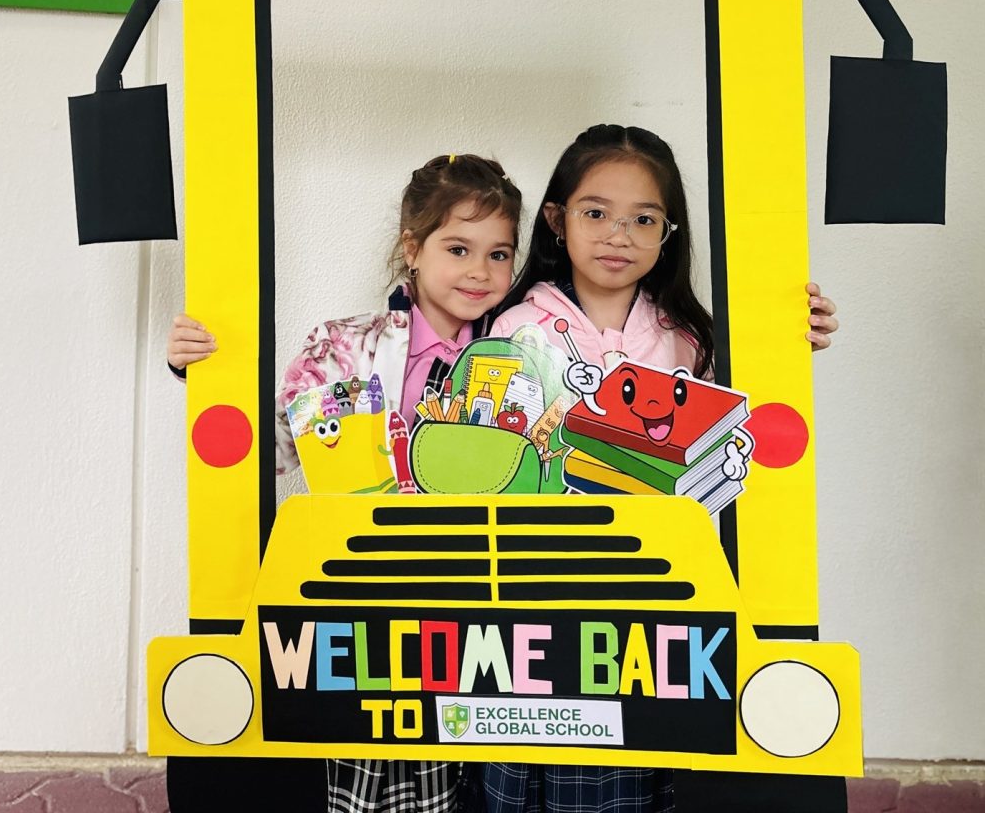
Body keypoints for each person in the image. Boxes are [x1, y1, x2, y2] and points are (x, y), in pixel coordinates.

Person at [483, 124, 838, 813]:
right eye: (596, 213)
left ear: (668, 233)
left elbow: (741, 428)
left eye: (644, 219)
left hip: (660, 583)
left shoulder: (691, 338)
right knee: (548, 748)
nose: (618, 235)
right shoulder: (515, 328)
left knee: (643, 755)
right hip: (542, 583)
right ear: (556, 219)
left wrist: (792, 338)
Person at [167, 152, 523, 813]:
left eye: (499, 254)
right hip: (367, 587)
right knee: (368, 755)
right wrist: (204, 375)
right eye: (458, 248)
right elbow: (273, 451)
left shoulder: (525, 357)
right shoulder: (341, 347)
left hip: (486, 591)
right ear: (412, 249)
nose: (480, 271)